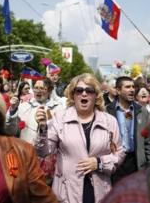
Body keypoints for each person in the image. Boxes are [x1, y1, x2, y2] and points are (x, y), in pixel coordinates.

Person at [36, 73, 125, 203]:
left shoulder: (109, 121)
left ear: (96, 96)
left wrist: (100, 163)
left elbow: (119, 153)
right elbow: (43, 151)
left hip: (99, 191)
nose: (84, 94)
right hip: (67, 192)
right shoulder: (60, 118)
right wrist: (43, 129)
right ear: (73, 95)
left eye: (89, 91)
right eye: (79, 90)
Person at [106, 76, 150, 184]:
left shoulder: (142, 112)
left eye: (133, 87)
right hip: (115, 164)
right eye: (128, 87)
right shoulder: (107, 112)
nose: (132, 90)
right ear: (118, 90)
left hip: (136, 163)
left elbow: (148, 142)